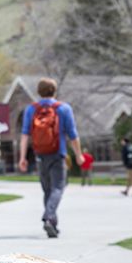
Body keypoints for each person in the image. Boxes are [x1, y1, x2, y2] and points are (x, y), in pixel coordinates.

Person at [19, 77, 84, 238]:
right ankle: (49, 218)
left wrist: (22, 157)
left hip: (40, 155)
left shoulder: (31, 109)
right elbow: (73, 135)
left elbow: (25, 134)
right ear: (54, 91)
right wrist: (79, 154)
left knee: (47, 190)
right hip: (58, 153)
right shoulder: (63, 109)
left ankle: (52, 223)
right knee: (58, 188)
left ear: (39, 92)